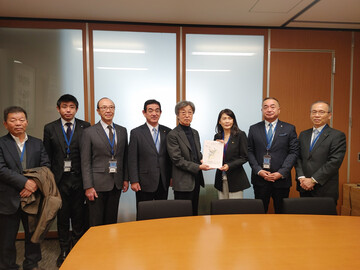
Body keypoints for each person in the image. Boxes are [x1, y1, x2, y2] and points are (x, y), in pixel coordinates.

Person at [43, 94, 90, 267]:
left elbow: (89, 155)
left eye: (71, 106)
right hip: (59, 181)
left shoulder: (86, 126)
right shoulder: (50, 128)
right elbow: (47, 156)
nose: (68, 110)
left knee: (79, 216)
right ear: (58, 108)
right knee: (62, 217)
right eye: (64, 106)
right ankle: (63, 249)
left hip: (79, 179)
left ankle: (77, 247)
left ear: (76, 109)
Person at [0, 106, 50, 270]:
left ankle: (31, 263)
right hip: (8, 198)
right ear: (5, 124)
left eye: (21, 120)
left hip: (32, 198)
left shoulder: (37, 143)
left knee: (32, 235)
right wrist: (24, 182)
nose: (18, 123)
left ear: (27, 122)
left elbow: (45, 166)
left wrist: (33, 184)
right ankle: (8, 266)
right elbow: (1, 169)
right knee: (7, 238)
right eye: (13, 120)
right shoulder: (1, 143)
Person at [80, 97, 129, 226]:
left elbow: (125, 157)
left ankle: (110, 246)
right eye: (104, 107)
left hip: (116, 183)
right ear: (98, 111)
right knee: (96, 222)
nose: (108, 110)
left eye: (111, 107)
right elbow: (85, 162)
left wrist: (125, 179)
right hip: (96, 185)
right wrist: (88, 186)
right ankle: (96, 246)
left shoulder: (122, 131)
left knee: (111, 221)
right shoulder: (89, 132)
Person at [248, 97, 299, 213]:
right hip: (260, 179)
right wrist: (259, 170)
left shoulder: (289, 128)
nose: (269, 109)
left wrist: (281, 172)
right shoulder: (254, 128)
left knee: (282, 213)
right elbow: (249, 151)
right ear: (262, 110)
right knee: (259, 213)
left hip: (281, 180)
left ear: (279, 110)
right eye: (265, 107)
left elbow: (293, 152)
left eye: (272, 106)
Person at [295, 101, 346, 204]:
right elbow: (298, 157)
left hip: (325, 188)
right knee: (304, 218)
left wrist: (313, 180)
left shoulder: (337, 136)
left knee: (325, 220)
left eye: (321, 112)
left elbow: (334, 162)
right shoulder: (303, 134)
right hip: (304, 186)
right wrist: (301, 177)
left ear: (329, 115)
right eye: (314, 112)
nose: (317, 115)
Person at [166, 100, 210, 215]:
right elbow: (177, 159)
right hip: (182, 182)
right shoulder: (173, 134)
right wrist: (199, 166)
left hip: (196, 179)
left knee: (194, 214)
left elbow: (197, 154)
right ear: (177, 115)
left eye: (190, 112)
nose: (187, 115)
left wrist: (209, 157)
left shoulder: (195, 132)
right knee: (182, 216)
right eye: (183, 112)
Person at [128, 100, 172, 214]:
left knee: (162, 214)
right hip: (143, 182)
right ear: (144, 112)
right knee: (144, 214)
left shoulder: (167, 131)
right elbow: (132, 158)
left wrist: (171, 177)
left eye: (157, 111)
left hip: (163, 180)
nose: (154, 114)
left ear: (161, 112)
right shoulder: (136, 132)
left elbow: (170, 158)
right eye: (150, 110)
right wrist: (134, 180)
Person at [214, 109, 250, 199]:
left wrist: (229, 165)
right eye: (224, 118)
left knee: (235, 209)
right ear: (219, 121)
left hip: (236, 178)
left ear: (233, 120)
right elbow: (215, 157)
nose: (227, 121)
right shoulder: (217, 136)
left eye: (229, 118)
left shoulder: (240, 135)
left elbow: (245, 157)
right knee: (222, 208)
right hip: (220, 178)